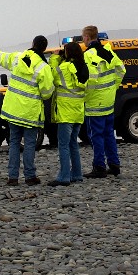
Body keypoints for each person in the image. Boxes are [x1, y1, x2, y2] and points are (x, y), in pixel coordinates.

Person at [0, 35, 54, 186]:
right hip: (30, 113)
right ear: (44, 49)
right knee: (29, 144)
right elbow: (47, 92)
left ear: (32, 44)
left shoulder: (18, 57)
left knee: (14, 143)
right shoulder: (43, 67)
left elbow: (3, 57)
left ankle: (13, 177)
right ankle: (30, 176)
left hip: (13, 111)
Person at [81, 25, 126, 178]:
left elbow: (92, 78)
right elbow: (122, 69)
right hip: (108, 100)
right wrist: (113, 87)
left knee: (96, 135)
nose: (83, 39)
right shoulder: (108, 51)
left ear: (87, 37)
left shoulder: (89, 55)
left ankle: (99, 166)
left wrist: (86, 96)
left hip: (95, 102)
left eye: (83, 37)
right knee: (108, 133)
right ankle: (114, 164)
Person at [48, 42, 89, 187]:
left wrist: (54, 58)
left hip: (66, 112)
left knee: (63, 145)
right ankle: (77, 174)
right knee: (73, 144)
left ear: (68, 53)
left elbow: (52, 76)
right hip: (78, 112)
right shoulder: (83, 67)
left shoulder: (65, 67)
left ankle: (64, 176)